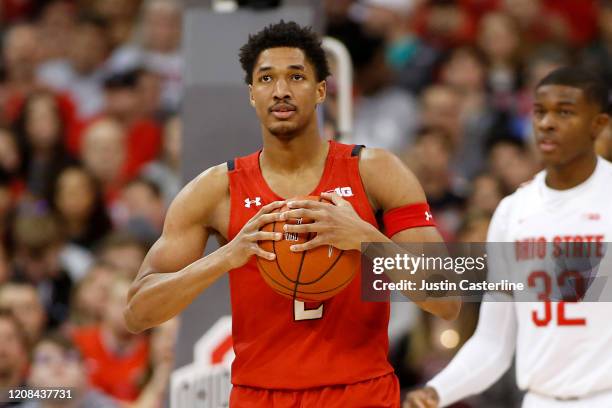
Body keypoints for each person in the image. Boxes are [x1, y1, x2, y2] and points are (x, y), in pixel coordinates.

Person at [125, 21, 460, 407]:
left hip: (361, 392)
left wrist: (366, 240)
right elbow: (136, 313)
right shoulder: (216, 189)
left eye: (296, 76)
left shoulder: (376, 171)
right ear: (252, 94)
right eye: (266, 79)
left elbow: (447, 299)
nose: (281, 90)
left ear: (320, 90)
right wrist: (226, 257)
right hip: (259, 395)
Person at [405, 66, 612, 408]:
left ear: (598, 125)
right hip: (540, 399)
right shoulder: (513, 211)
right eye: (540, 112)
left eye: (564, 112)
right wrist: (439, 390)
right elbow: (494, 342)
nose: (547, 123)